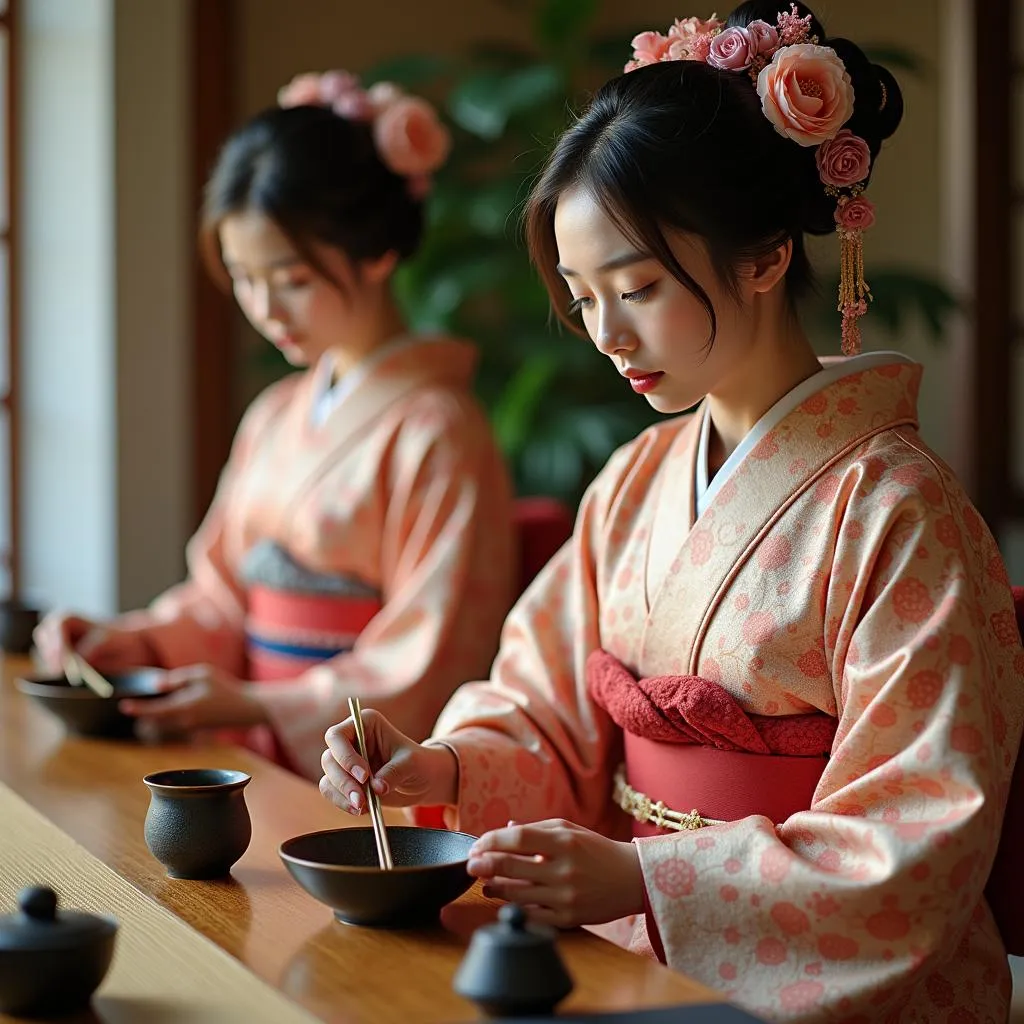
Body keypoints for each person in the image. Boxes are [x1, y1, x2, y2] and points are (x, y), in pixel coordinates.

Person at [318, 4, 1024, 1021]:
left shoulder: (899, 511)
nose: (605, 333)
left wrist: (649, 877)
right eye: (581, 293)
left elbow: (915, 832)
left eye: (636, 286)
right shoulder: (634, 480)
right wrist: (441, 764)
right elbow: (546, 710)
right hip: (638, 955)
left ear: (764, 256)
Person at [34, 71, 516, 781]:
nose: (265, 308)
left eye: (290, 279)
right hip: (245, 754)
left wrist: (260, 703)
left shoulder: (440, 432)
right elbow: (221, 597)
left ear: (376, 249)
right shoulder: (274, 415)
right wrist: (131, 643)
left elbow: (428, 655)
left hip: (356, 775)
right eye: (244, 278)